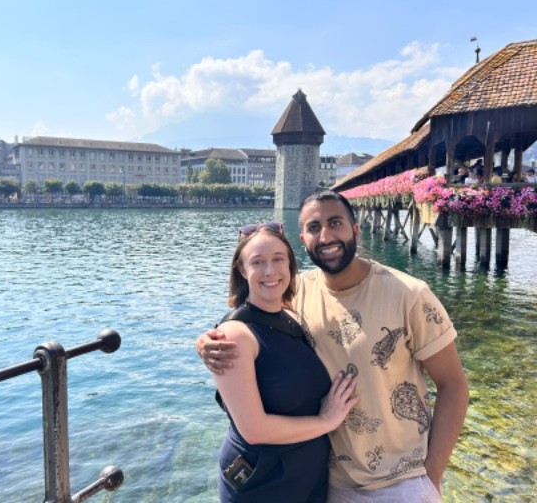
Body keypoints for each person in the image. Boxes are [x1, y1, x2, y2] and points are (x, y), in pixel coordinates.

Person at [197, 191, 469, 502]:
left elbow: (453, 386)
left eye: (335, 223)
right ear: (303, 239)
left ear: (356, 230)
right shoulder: (296, 292)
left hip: (401, 483)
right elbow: (252, 320)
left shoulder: (410, 294)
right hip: (331, 483)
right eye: (314, 227)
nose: (326, 236)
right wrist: (208, 341)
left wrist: (431, 477)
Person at [212, 222, 358, 502]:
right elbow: (254, 430)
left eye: (278, 259)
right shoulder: (234, 336)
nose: (270, 271)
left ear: (290, 264)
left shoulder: (292, 317)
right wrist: (326, 421)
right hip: (264, 482)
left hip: (309, 477)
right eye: (258, 262)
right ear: (242, 270)